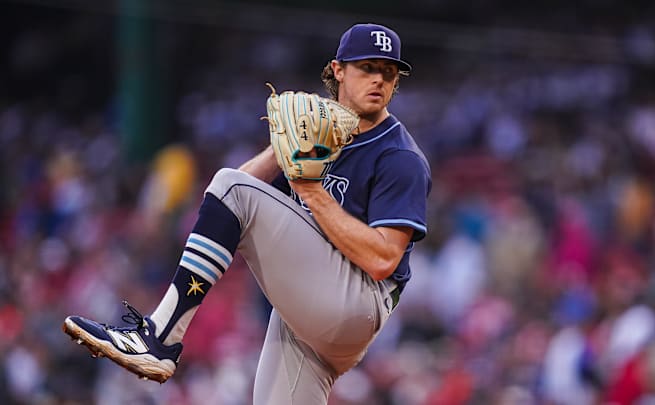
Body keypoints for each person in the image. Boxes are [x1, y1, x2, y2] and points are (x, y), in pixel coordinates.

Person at [63, 22, 431, 404]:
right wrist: (281, 149)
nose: (379, 80)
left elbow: (383, 258)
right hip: (312, 309)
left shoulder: (399, 156)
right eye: (367, 68)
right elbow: (222, 201)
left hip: (358, 302)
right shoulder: (324, 136)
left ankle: (159, 337)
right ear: (338, 70)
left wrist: (310, 191)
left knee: (232, 187)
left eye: (388, 72)